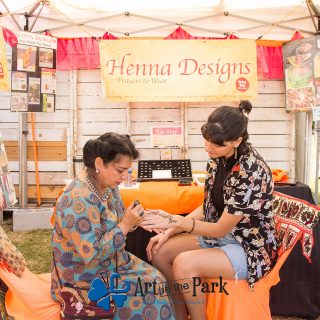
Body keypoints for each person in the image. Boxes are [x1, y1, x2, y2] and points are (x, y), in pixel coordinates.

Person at [142, 101, 279, 320]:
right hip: (221, 238)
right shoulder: (217, 159)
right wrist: (169, 230)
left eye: (216, 144)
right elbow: (208, 207)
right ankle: (179, 314)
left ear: (237, 141)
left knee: (184, 264)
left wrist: (178, 222)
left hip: (248, 247)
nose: (208, 147)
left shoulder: (251, 171)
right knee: (160, 252)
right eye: (206, 140)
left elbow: (219, 228)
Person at [51, 132, 176, 319]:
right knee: (151, 288)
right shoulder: (77, 200)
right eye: (120, 170)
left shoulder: (107, 186)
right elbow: (91, 256)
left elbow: (118, 220)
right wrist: (125, 225)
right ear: (99, 164)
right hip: (82, 278)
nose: (125, 177)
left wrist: (142, 218)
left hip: (111, 263)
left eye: (127, 170)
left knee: (157, 279)